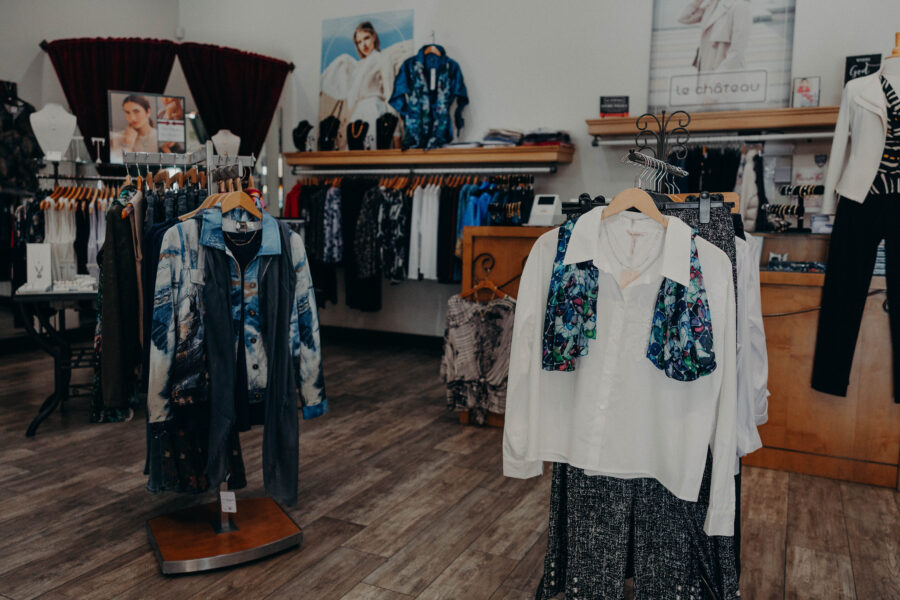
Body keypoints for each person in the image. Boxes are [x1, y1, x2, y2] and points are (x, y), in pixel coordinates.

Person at [320, 21, 400, 149]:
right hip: (358, 114)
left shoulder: (383, 59)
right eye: (359, 42)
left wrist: (396, 133)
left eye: (366, 38)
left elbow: (390, 94)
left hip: (375, 110)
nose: (364, 45)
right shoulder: (358, 66)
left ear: (374, 36)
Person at [679, 0, 751, 72]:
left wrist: (718, 75)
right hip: (706, 72)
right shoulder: (711, 5)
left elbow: (738, 50)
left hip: (724, 74)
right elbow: (684, 18)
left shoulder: (740, 6)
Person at [110, 94, 158, 162]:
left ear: (148, 111)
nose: (132, 118)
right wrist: (128, 145)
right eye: (127, 112)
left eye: (136, 111)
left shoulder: (159, 138)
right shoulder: (117, 138)